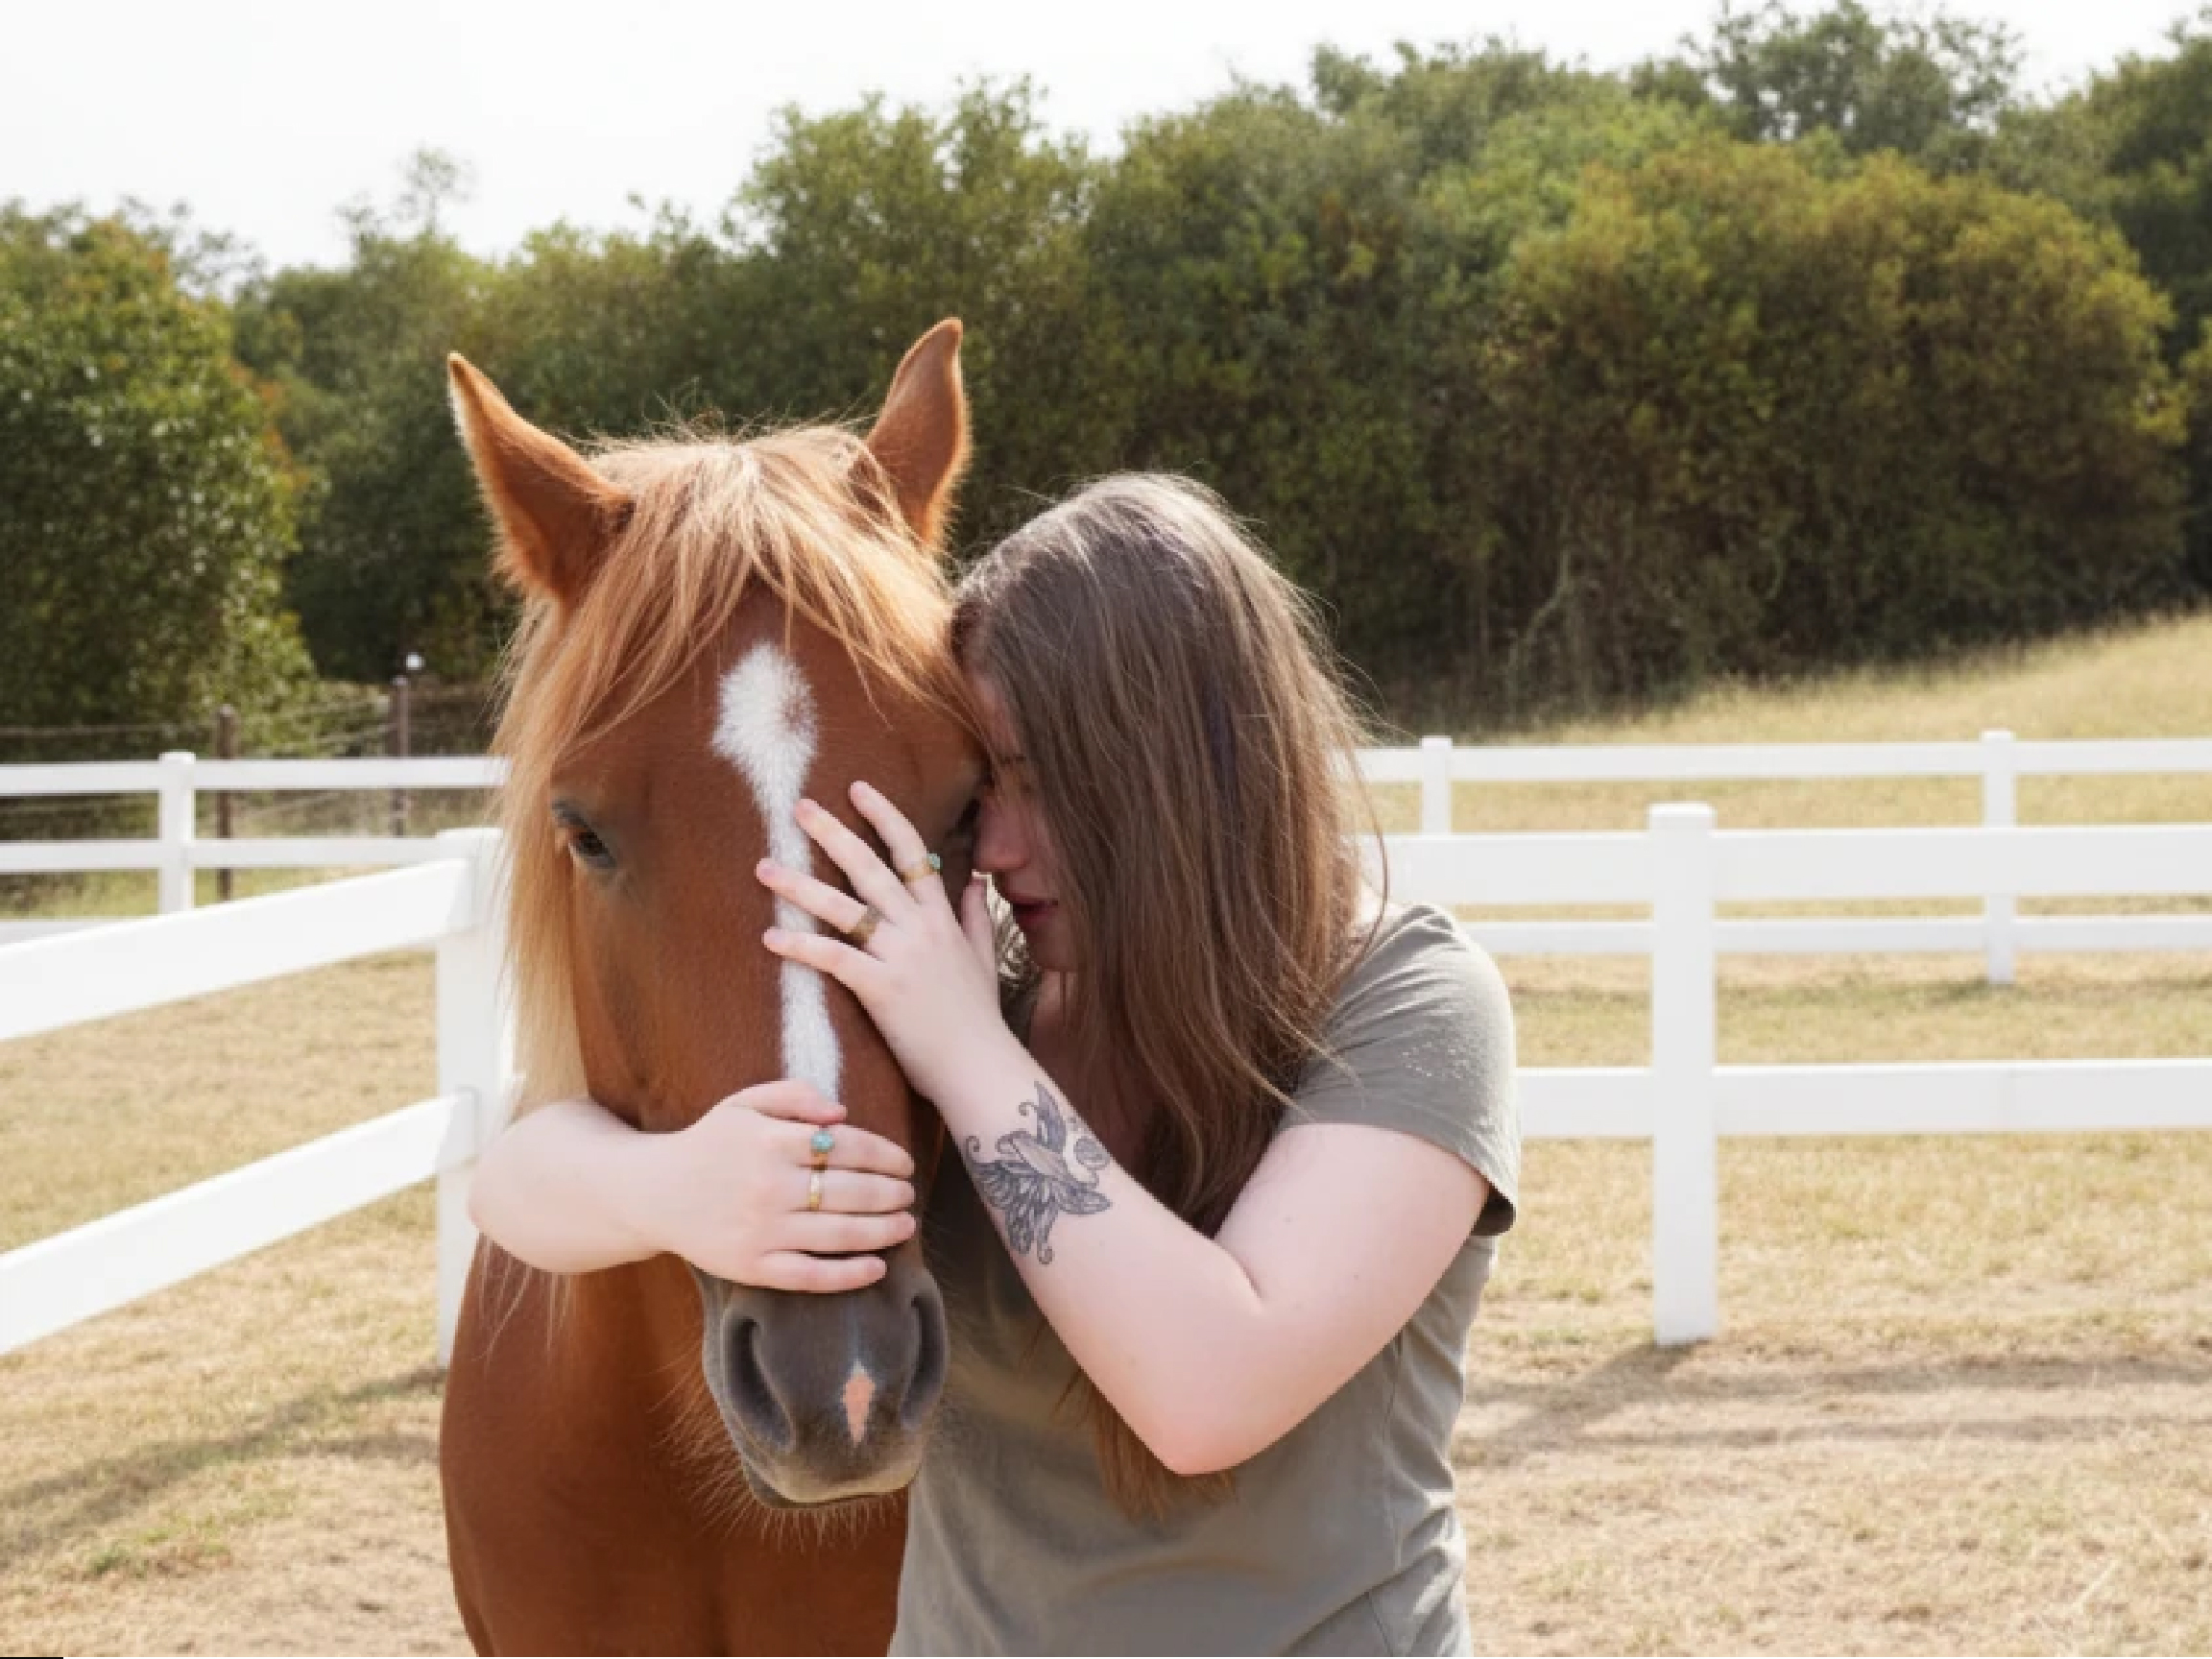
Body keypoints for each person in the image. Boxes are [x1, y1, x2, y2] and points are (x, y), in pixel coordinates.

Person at [468, 474, 1521, 1655]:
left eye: (1041, 784)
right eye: (982, 793)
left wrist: (967, 1053)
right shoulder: (984, 978)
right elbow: (510, 1183)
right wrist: (676, 1188)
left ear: (1193, 777)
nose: (999, 848)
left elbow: (1208, 1392)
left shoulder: (1410, 999)